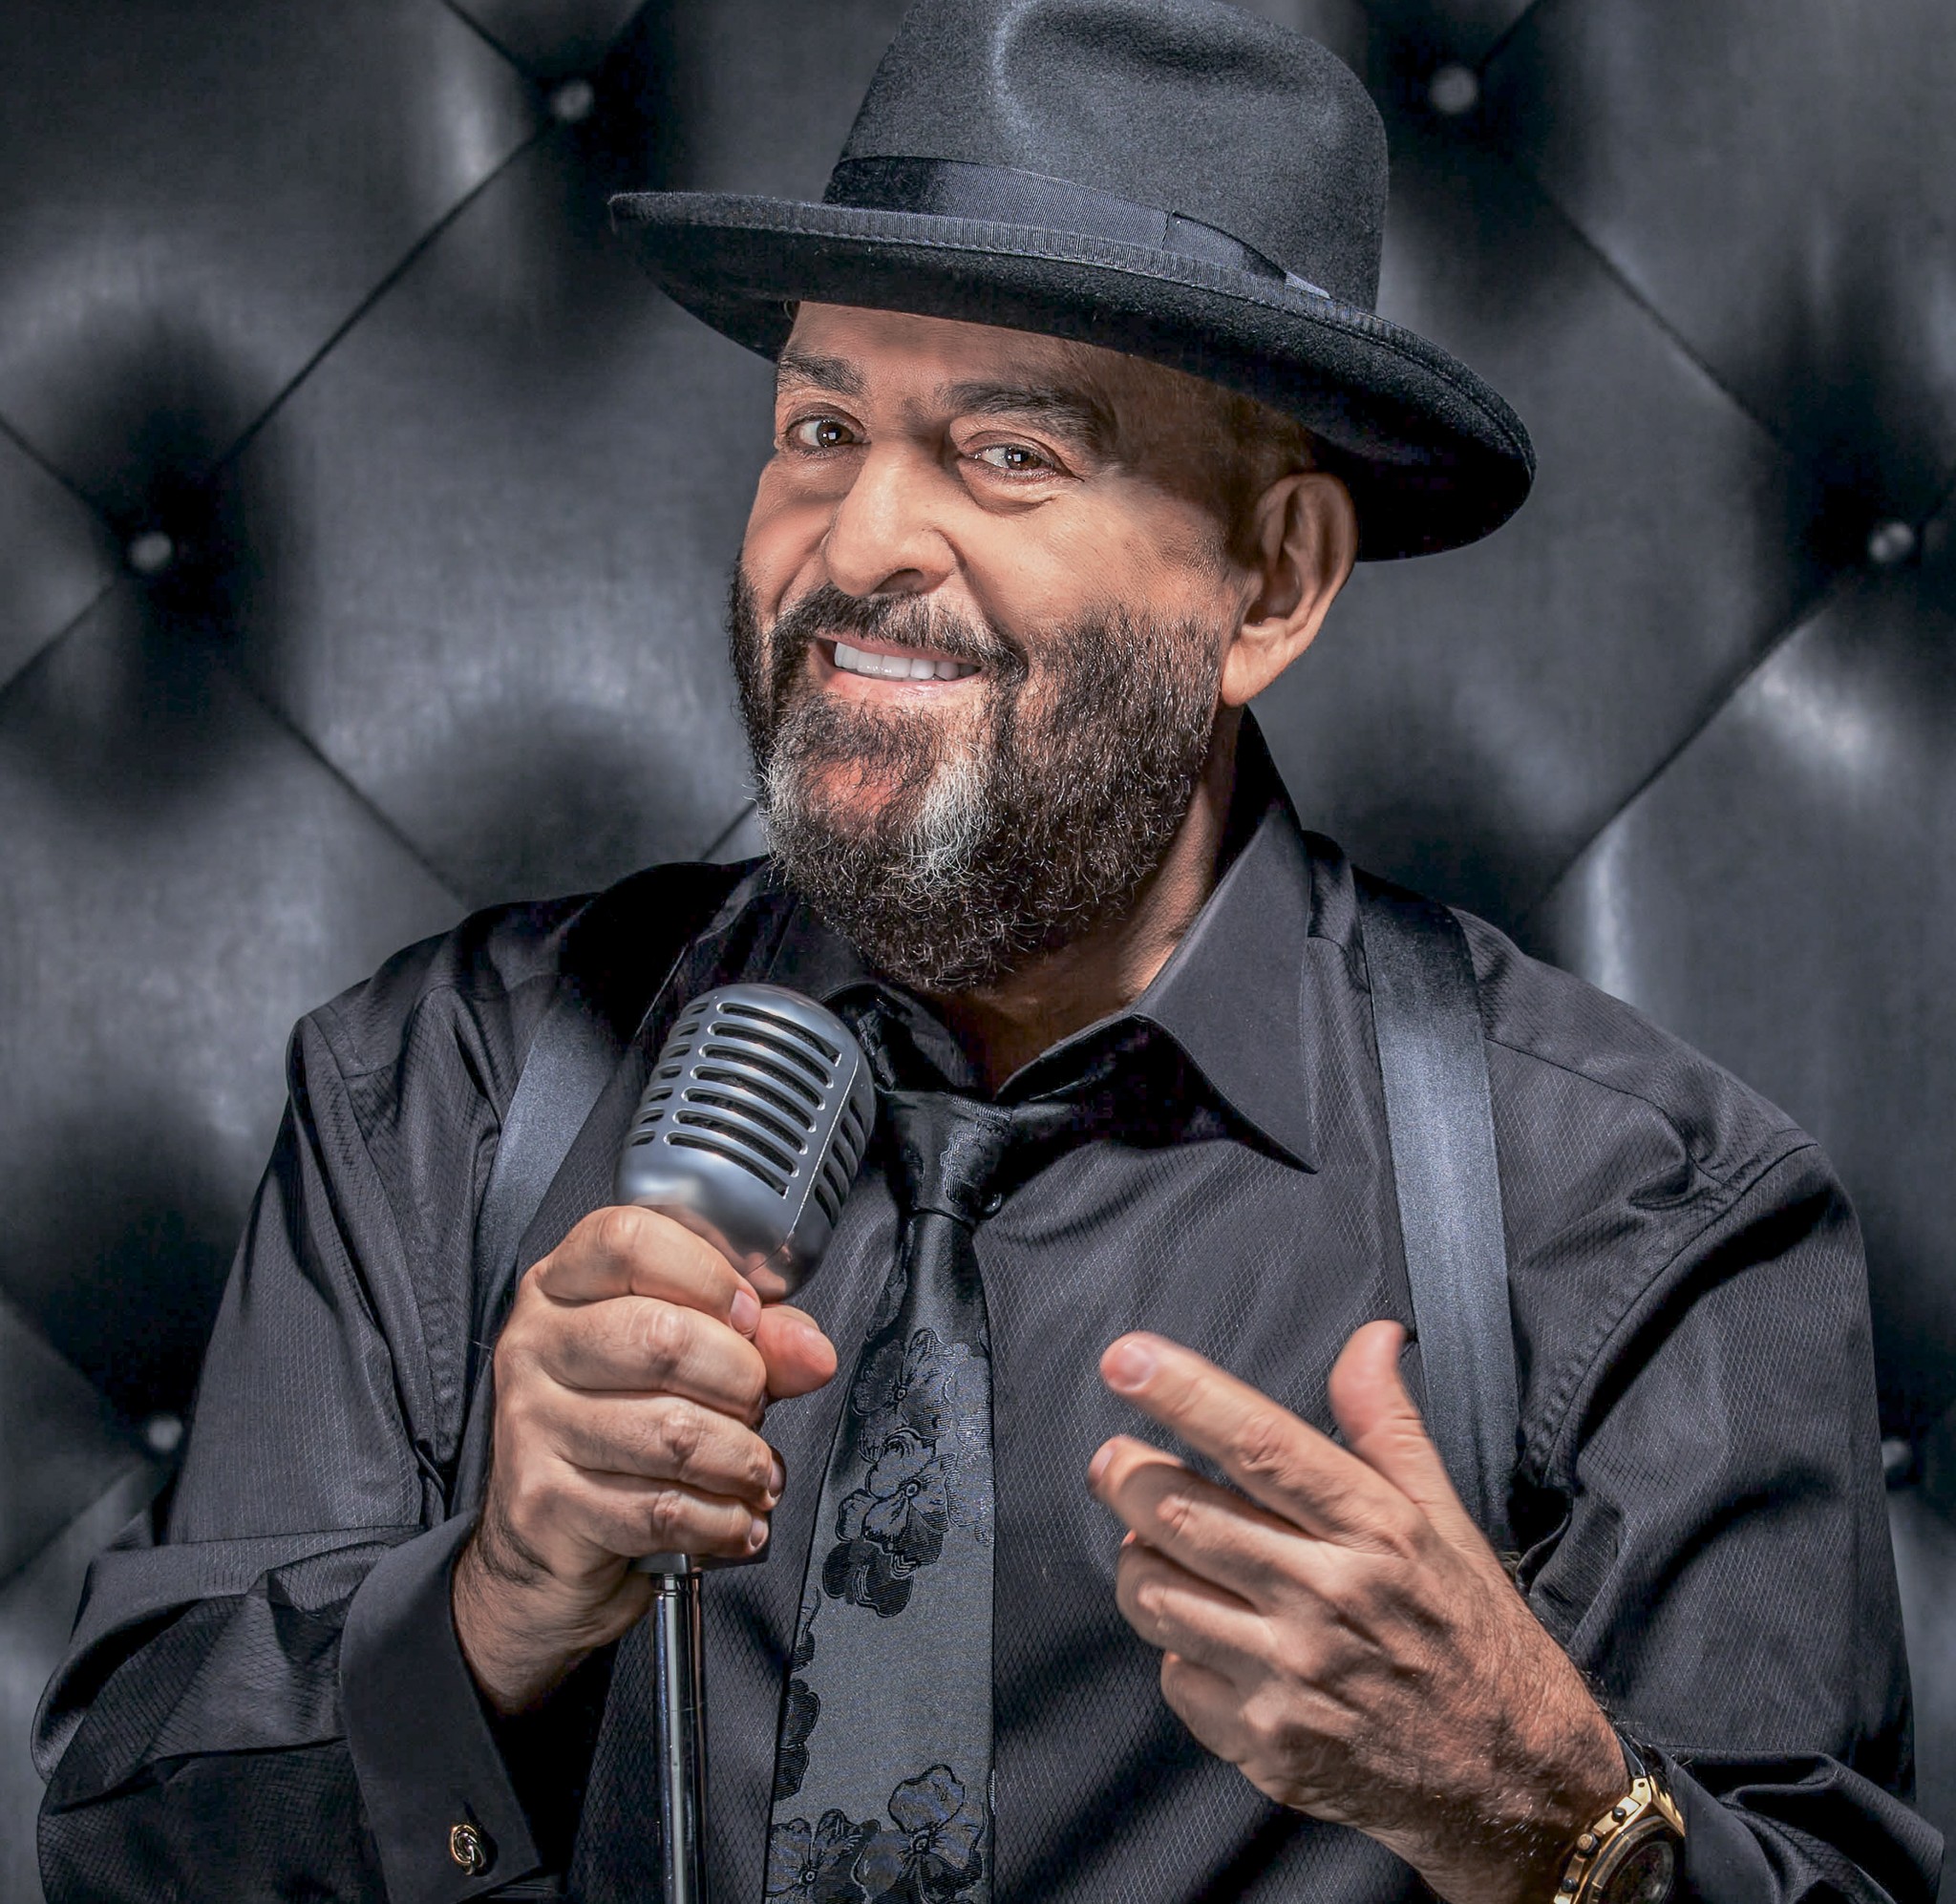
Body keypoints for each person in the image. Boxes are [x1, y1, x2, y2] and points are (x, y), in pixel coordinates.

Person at [34, 3, 1941, 1902]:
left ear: (1270, 579)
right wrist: (485, 1611)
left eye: (1010, 450)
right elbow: (125, 1853)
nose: (860, 537)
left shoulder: (1635, 1212)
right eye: (820, 426)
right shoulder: (438, 1091)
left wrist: (1548, 1813)